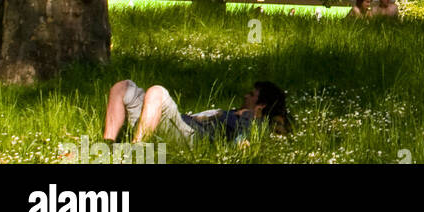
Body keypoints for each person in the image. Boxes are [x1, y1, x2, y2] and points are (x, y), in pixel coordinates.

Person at [104, 78, 291, 145]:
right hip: (174, 123)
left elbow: (242, 142)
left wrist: (250, 116)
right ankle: (106, 144)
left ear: (261, 105)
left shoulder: (252, 124)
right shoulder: (233, 113)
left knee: (157, 91)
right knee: (123, 87)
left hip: (191, 136)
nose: (246, 96)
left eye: (252, 95)